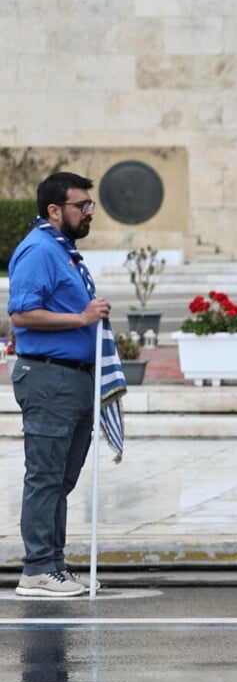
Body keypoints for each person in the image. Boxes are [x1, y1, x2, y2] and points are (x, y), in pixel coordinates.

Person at [7, 172, 111, 598]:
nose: (89, 212)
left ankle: (54, 565)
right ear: (54, 210)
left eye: (89, 204)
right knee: (46, 476)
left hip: (73, 378)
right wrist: (82, 318)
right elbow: (21, 314)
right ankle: (36, 569)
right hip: (50, 378)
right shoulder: (39, 250)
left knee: (61, 480)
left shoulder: (62, 251)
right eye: (81, 205)